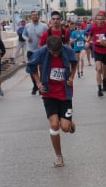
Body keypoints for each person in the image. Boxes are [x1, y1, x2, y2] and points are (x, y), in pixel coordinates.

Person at [27, 35, 78, 168]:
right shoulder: (41, 52)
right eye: (52, 52)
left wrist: (72, 76)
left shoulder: (68, 51)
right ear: (47, 48)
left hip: (65, 93)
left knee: (65, 128)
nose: (55, 55)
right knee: (55, 125)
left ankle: (69, 122)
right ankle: (59, 157)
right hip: (49, 93)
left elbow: (74, 63)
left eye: (58, 52)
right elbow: (31, 67)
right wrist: (38, 83)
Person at [89, 11, 106, 97]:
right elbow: (89, 36)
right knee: (99, 68)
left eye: (102, 19)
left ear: (104, 19)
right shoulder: (93, 27)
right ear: (96, 20)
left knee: (105, 70)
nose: (100, 21)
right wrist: (88, 40)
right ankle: (99, 88)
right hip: (97, 50)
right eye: (98, 19)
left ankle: (104, 80)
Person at [22, 11, 48, 95]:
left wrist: (42, 37)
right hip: (31, 50)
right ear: (31, 17)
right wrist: (27, 39)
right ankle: (35, 85)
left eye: (36, 15)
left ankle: (41, 85)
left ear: (38, 16)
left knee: (41, 68)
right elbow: (23, 35)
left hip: (41, 50)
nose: (35, 16)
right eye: (33, 15)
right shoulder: (27, 26)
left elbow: (49, 35)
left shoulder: (44, 26)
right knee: (32, 69)